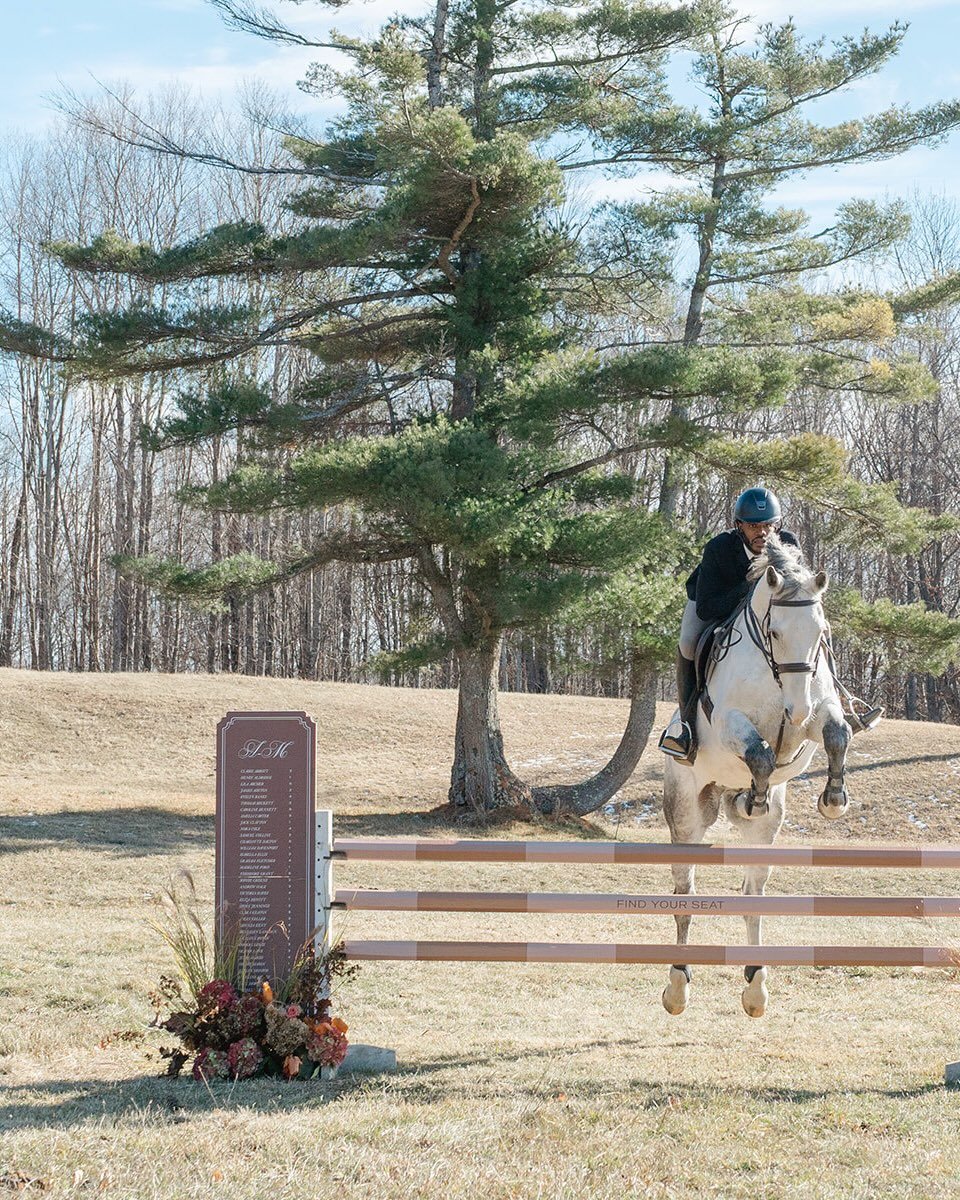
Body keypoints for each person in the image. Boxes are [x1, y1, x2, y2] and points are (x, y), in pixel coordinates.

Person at [658, 486, 882, 764]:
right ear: (739, 525)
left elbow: (797, 592)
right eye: (753, 526)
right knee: (688, 642)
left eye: (768, 525)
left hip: (769, 611)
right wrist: (753, 591)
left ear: (777, 525)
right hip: (713, 602)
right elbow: (707, 606)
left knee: (818, 625)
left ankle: (840, 701)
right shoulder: (719, 548)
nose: (761, 533)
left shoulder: (788, 542)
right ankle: (687, 727)